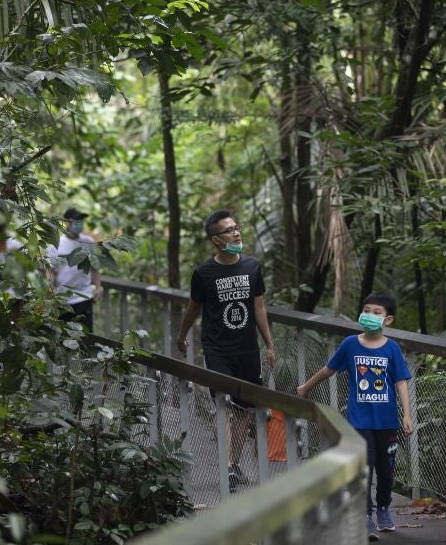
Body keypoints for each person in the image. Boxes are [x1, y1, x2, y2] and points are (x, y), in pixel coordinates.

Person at [296, 293, 413, 541]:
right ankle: (365, 515)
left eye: (376, 312)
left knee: (386, 470)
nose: (369, 316)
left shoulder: (392, 349)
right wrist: (306, 387)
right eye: (366, 310)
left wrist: (407, 415)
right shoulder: (350, 344)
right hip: (359, 420)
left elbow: (401, 381)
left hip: (387, 421)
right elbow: (330, 369)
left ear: (388, 320)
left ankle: (383, 508)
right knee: (364, 470)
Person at [175, 209, 275, 492]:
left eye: (237, 227)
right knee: (226, 406)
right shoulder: (204, 273)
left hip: (247, 349)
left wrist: (269, 344)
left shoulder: (252, 267)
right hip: (217, 348)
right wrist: (182, 336)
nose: (237, 233)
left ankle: (231, 463)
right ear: (216, 240)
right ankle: (228, 465)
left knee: (244, 409)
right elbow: (194, 308)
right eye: (229, 230)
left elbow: (259, 307)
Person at [47, 207, 103, 333]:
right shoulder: (56, 244)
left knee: (86, 337)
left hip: (84, 296)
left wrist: (98, 287)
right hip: (62, 299)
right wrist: (51, 295)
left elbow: (94, 268)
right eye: (76, 220)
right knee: (63, 336)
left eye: (81, 220)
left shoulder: (88, 242)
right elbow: (51, 272)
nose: (79, 223)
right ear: (67, 222)